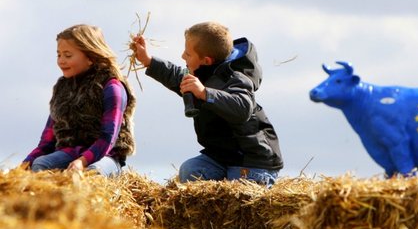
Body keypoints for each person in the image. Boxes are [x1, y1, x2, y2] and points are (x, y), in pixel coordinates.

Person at [132, 21, 283, 186]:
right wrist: (148, 60)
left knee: (237, 193)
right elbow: (175, 76)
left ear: (206, 60)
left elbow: (242, 108)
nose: (183, 56)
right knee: (190, 170)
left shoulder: (236, 78)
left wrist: (204, 93)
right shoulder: (199, 73)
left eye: (188, 54)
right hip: (220, 156)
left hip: (251, 160)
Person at [22, 24, 136, 176]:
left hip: (105, 156)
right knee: (40, 164)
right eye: (59, 55)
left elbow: (108, 137)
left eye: (68, 55)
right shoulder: (62, 90)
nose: (61, 61)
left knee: (93, 172)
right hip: (69, 153)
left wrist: (82, 161)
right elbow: (47, 140)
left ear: (90, 57)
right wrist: (25, 164)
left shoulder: (111, 87)